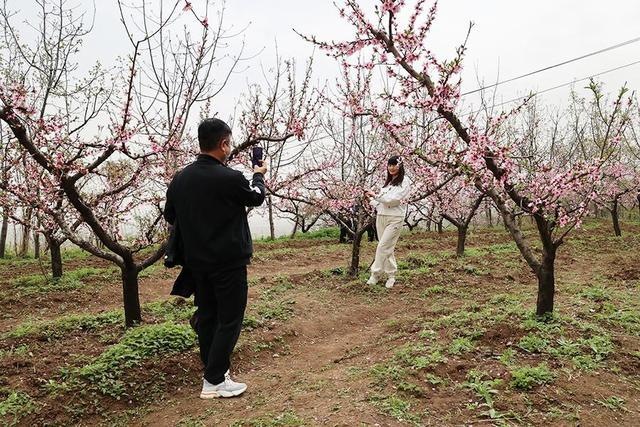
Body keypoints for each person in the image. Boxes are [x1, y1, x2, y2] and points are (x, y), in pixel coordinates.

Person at [164, 118, 267, 399]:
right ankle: (213, 379)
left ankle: (215, 373)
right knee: (231, 318)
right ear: (223, 144)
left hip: (198, 263)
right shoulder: (229, 177)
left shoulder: (180, 179)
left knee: (208, 316)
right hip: (228, 262)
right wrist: (259, 174)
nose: (230, 148)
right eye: (229, 143)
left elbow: (170, 215)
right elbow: (256, 197)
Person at [365, 155, 411, 289]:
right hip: (382, 216)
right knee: (387, 248)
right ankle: (391, 276)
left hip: (395, 218)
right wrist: (370, 200)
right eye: (389, 165)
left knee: (382, 246)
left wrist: (376, 195)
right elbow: (382, 204)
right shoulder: (387, 184)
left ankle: (375, 274)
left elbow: (393, 200)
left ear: (400, 166)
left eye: (394, 165)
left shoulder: (405, 182)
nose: (391, 168)